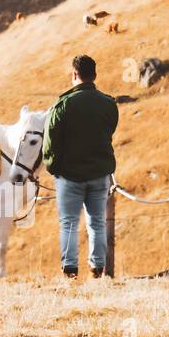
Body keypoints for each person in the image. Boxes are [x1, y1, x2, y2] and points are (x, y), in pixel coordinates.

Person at [42, 54, 119, 278]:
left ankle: (70, 269)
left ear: (74, 74)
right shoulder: (108, 104)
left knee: (68, 223)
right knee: (96, 222)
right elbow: (109, 131)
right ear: (94, 75)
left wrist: (54, 168)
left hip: (69, 175)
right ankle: (97, 268)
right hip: (99, 174)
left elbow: (50, 143)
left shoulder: (63, 105)